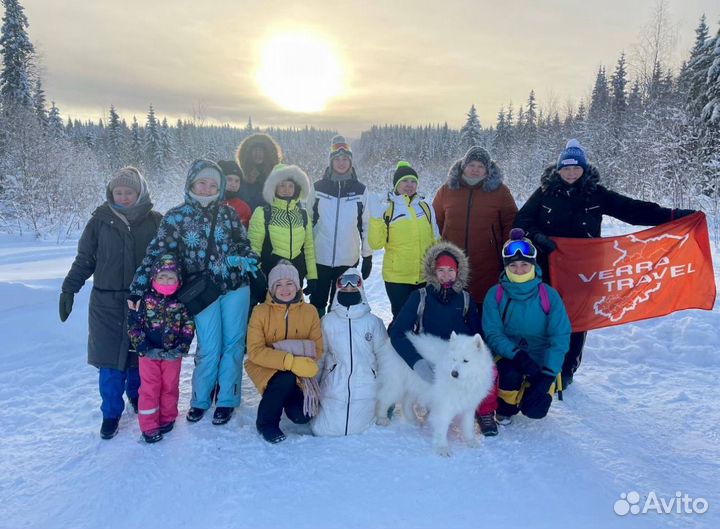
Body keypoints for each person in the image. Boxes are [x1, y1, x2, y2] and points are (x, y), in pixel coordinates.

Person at [514, 139, 697, 387]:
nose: (570, 173)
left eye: (575, 168)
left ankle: (567, 370)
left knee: (577, 320)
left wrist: (674, 216)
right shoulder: (545, 192)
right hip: (549, 266)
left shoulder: (596, 194)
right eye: (566, 168)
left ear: (584, 169)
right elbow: (522, 219)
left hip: (585, 271)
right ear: (558, 170)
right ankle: (544, 365)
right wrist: (537, 237)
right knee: (547, 316)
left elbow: (633, 211)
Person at [129, 159, 259, 426]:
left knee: (233, 345)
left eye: (214, 184)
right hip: (201, 292)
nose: (208, 187)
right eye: (203, 182)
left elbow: (243, 244)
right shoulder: (176, 216)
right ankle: (200, 400)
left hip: (236, 287)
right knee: (209, 346)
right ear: (191, 183)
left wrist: (248, 258)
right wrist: (139, 287)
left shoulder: (228, 214)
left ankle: (227, 399)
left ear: (220, 188)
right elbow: (158, 253)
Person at [60, 166, 162, 439]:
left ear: (139, 193)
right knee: (109, 361)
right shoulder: (99, 221)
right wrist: (69, 288)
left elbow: (168, 261)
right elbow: (85, 260)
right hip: (106, 302)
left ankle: (139, 398)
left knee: (139, 357)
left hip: (144, 300)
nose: (124, 196)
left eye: (129, 192)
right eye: (119, 192)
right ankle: (111, 414)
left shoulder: (156, 221)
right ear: (111, 193)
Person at [388, 240, 500, 436]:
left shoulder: (465, 299)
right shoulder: (420, 297)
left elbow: (476, 336)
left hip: (458, 359)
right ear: (433, 271)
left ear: (458, 272)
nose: (446, 275)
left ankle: (484, 412)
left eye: (450, 270)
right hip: (431, 357)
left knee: (489, 371)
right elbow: (397, 332)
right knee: (438, 405)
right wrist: (416, 362)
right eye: (440, 270)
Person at [482, 229, 571, 422]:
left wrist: (548, 375)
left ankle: (529, 392)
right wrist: (518, 355)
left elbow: (560, 336)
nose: (519, 270)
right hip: (509, 356)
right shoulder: (495, 294)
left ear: (533, 264)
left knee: (535, 411)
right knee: (510, 374)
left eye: (524, 264)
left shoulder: (549, 295)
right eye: (513, 265)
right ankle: (505, 407)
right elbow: (493, 334)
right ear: (506, 266)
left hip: (541, 357)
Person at [245, 261, 323, 443]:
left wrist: (298, 364)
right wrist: (289, 361)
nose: (284, 289)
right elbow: (255, 351)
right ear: (271, 289)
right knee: (284, 378)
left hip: (299, 372)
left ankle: (280, 398)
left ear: (297, 286)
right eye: (278, 285)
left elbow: (317, 349)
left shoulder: (310, 312)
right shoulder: (260, 312)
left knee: (301, 415)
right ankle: (266, 423)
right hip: (263, 366)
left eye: (289, 283)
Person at [433, 146, 518, 305]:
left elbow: (510, 222)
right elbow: (434, 223)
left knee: (485, 303)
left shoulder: (500, 191)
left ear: (487, 170)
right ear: (463, 166)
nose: (475, 170)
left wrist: (508, 252)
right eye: (471, 165)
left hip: (488, 262)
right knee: (453, 303)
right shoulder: (446, 190)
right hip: (452, 260)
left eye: (480, 166)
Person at [311, 268, 388, 436]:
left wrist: (386, 398)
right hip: (333, 388)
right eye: (344, 290)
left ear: (361, 291)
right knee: (323, 429)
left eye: (353, 290)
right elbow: (320, 356)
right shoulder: (327, 321)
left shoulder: (374, 323)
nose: (348, 292)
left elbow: (385, 360)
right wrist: (313, 388)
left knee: (359, 428)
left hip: (367, 390)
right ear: (338, 291)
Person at [128, 254, 195, 443]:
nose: (166, 281)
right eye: (162, 276)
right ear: (153, 279)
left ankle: (167, 417)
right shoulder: (145, 300)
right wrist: (143, 346)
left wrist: (182, 346)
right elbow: (134, 324)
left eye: (171, 277)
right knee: (149, 388)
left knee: (169, 386)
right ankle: (148, 425)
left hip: (172, 355)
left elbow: (188, 325)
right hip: (148, 354)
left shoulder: (181, 302)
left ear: (178, 280)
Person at [368, 161, 439, 323]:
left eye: (413, 181)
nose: (409, 185)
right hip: (397, 279)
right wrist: (375, 218)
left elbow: (436, 240)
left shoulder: (426, 208)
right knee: (402, 319)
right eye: (405, 181)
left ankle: (418, 348)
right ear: (396, 184)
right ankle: (395, 348)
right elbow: (376, 244)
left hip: (424, 277)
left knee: (423, 319)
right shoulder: (388, 209)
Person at [310, 135, 373, 318]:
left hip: (347, 259)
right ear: (331, 162)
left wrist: (367, 256)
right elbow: (308, 221)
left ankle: (337, 342)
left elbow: (366, 224)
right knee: (317, 303)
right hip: (320, 258)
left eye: (345, 159)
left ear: (351, 161)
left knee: (340, 304)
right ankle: (317, 340)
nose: (341, 162)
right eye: (337, 159)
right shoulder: (318, 187)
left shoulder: (361, 190)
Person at [247, 163, 317, 288]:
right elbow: (254, 249)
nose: (287, 190)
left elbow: (309, 248)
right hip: (269, 272)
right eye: (282, 185)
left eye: (291, 186)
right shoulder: (263, 213)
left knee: (294, 307)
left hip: (296, 272)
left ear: (297, 188)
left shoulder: (303, 214)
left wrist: (312, 276)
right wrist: (255, 275)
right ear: (274, 187)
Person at [236, 133, 284, 211]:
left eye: (261, 151)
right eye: (255, 150)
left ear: (267, 154)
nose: (258, 154)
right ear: (249, 154)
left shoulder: (275, 178)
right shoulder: (240, 178)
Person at [217, 160, 252, 228]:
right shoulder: (211, 203)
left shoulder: (245, 208)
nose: (234, 184)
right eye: (229, 179)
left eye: (237, 181)